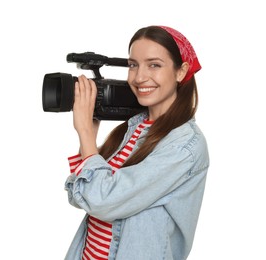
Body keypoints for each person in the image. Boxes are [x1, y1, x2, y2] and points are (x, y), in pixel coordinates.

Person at [64, 25, 209, 260]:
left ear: (181, 71)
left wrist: (85, 136)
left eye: (154, 65)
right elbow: (83, 198)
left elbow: (103, 201)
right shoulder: (133, 128)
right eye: (133, 65)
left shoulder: (184, 147)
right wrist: (88, 139)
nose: (139, 77)